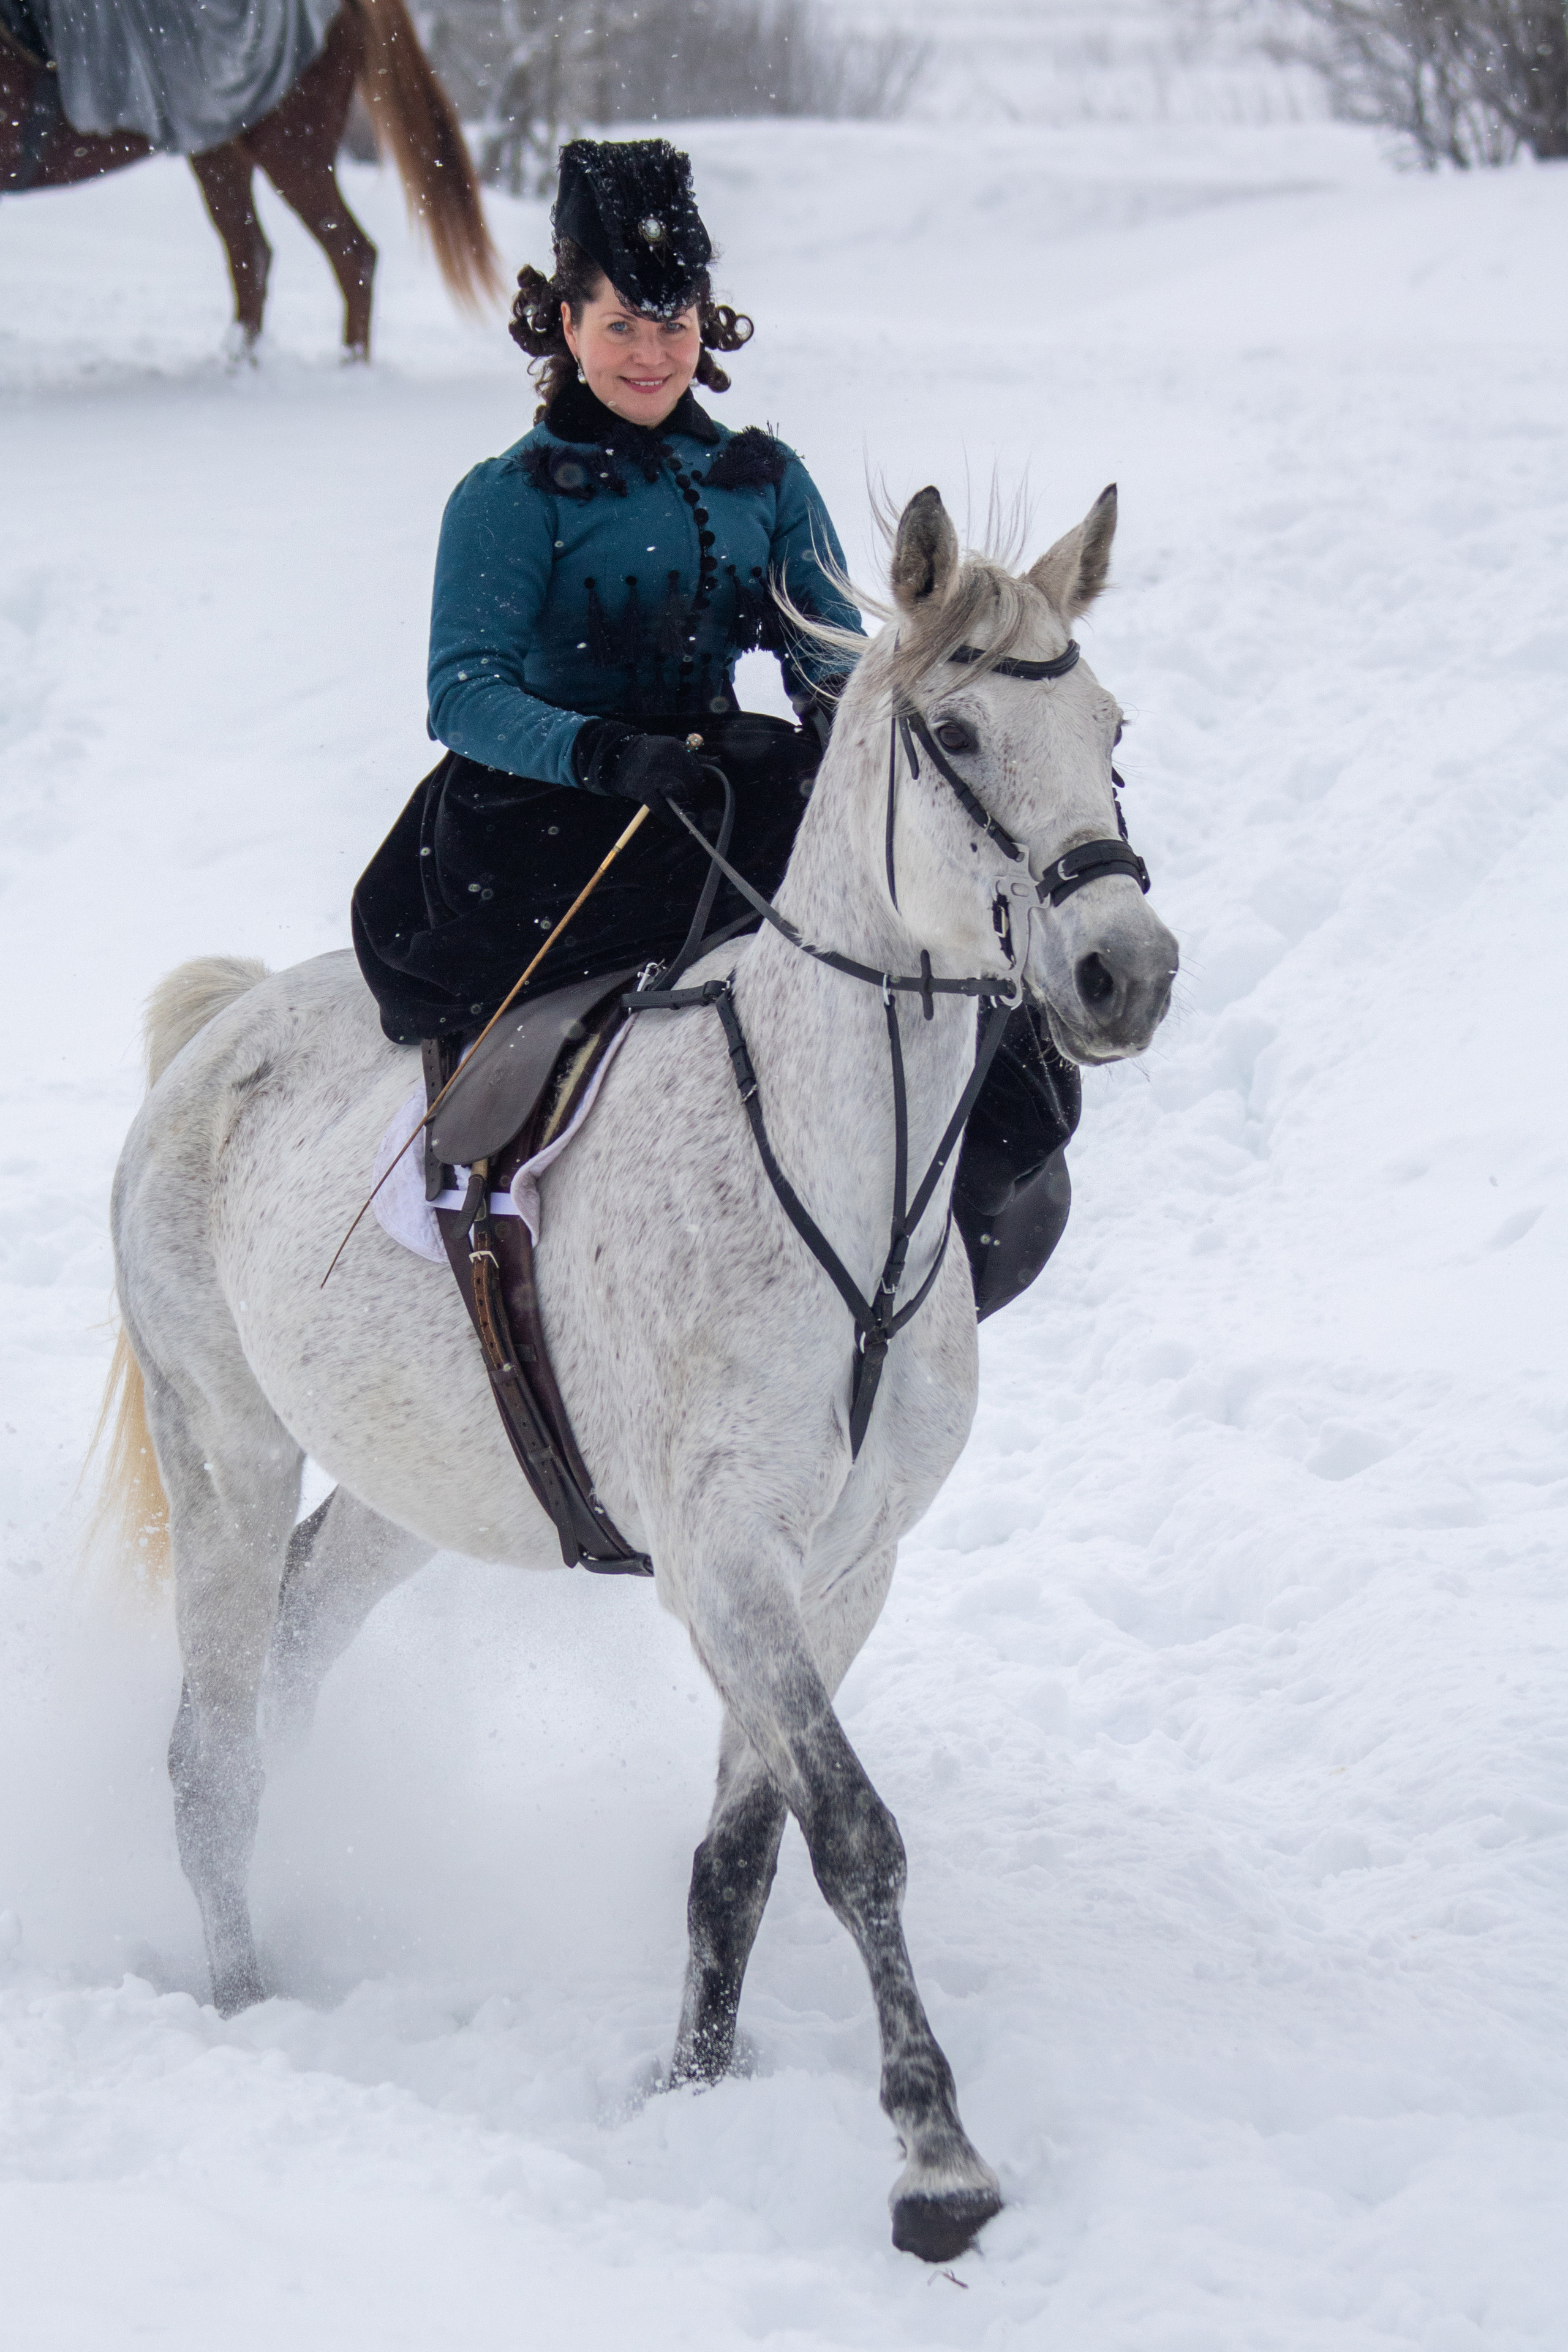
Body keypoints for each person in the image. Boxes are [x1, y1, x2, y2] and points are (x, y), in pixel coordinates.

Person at [352, 136, 1079, 1317]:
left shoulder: (766, 480)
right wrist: (599, 751)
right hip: (551, 819)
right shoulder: (509, 498)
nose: (652, 354)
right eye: (623, 326)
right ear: (566, 323)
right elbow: (464, 691)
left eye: (675, 323)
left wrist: (866, 748)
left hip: (732, 795)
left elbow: (831, 662)